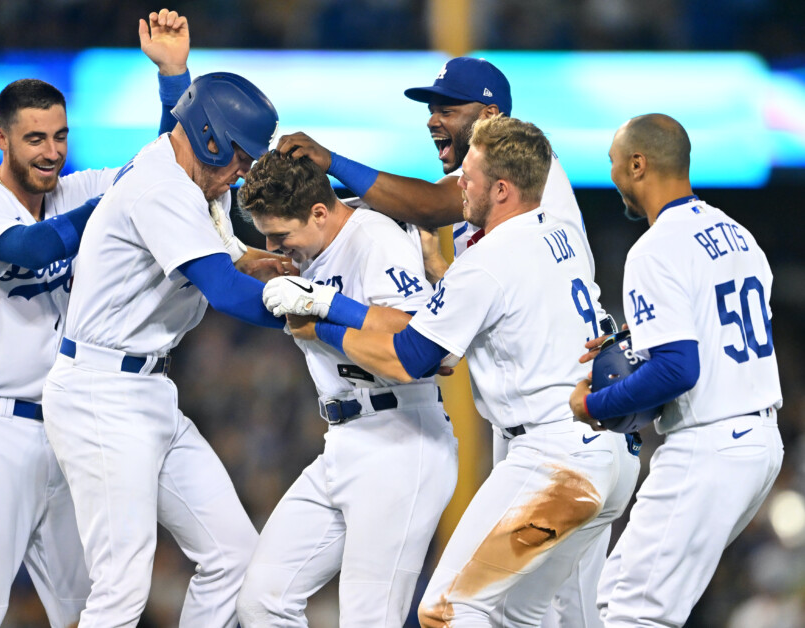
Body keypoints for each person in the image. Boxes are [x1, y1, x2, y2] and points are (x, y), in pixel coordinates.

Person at [277, 54, 624, 626]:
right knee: (545, 617)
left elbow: (418, 342)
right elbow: (499, 300)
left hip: (555, 443)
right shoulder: (521, 221)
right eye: (431, 109)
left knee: (449, 611)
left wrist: (320, 309)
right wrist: (443, 277)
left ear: (490, 118)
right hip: (587, 439)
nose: (434, 119)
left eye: (448, 108)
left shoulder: (524, 185)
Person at [0, 10, 191, 627]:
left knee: (93, 605)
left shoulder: (76, 188)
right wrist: (113, 205)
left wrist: (174, 78)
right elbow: (31, 250)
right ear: (3, 139)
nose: (52, 150)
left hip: (72, 428)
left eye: (60, 136)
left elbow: (161, 171)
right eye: (35, 138)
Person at [40, 70, 289, 627]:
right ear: (208, 136)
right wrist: (321, 314)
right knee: (121, 590)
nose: (242, 175)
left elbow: (227, 259)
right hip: (101, 394)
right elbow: (224, 290)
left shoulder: (194, 179)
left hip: (147, 390)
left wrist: (266, 265)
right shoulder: (164, 186)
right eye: (241, 159)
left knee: (234, 556)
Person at [569, 113, 784, 627]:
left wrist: (594, 405)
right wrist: (631, 348)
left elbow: (677, 371)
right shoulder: (740, 236)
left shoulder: (656, 247)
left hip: (709, 444)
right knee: (620, 593)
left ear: (638, 164)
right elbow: (701, 349)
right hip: (757, 442)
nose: (613, 175)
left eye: (614, 163)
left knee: (634, 612)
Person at [235, 151, 459, 626]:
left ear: (319, 211)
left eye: (282, 235)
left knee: (367, 619)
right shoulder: (309, 248)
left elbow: (429, 346)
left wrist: (324, 317)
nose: (277, 247)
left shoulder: (373, 237)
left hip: (401, 437)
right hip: (342, 441)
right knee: (262, 601)